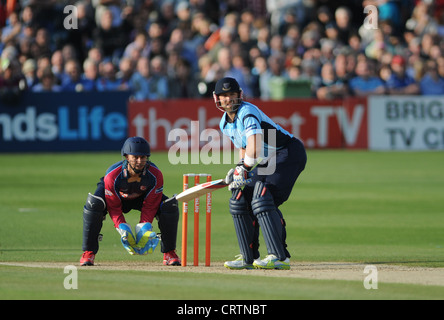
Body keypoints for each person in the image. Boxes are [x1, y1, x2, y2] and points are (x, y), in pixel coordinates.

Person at [214, 77, 307, 270]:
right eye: (224, 96)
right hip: (267, 160)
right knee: (240, 196)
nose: (229, 99)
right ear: (217, 98)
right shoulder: (225, 123)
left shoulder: (247, 112)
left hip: (288, 152)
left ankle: (280, 257)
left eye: (232, 95)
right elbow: (244, 149)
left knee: (263, 197)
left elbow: (254, 149)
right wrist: (240, 168)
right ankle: (248, 257)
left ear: (239, 95)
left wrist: (243, 169)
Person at [80, 137, 181, 266]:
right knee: (94, 204)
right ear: (127, 157)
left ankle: (169, 252)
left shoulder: (155, 175)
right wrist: (122, 227)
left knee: (169, 206)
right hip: (117, 199)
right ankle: (89, 253)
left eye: (143, 157)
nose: (139, 161)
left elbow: (150, 205)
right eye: (135, 157)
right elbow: (114, 206)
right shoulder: (112, 176)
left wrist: (144, 228)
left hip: (142, 199)